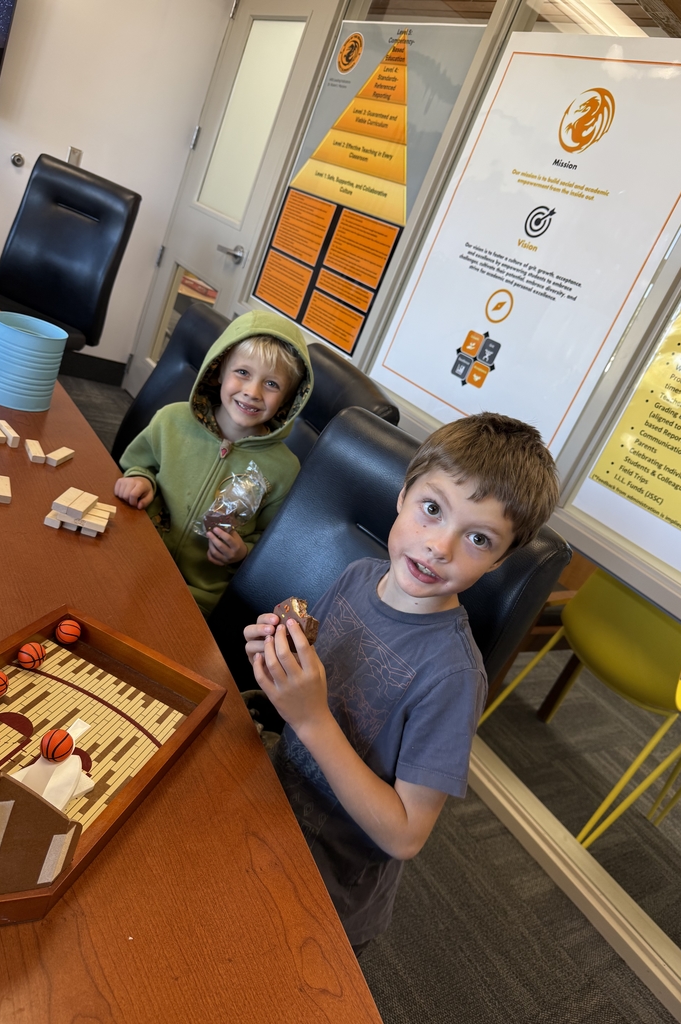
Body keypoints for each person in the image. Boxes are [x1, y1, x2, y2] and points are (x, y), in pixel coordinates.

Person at [243, 413, 559, 952]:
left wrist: (309, 717)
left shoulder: (454, 677)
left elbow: (406, 833)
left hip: (329, 885)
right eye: (432, 509)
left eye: (478, 538)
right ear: (403, 494)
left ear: (501, 559)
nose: (440, 547)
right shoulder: (359, 576)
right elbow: (319, 684)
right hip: (270, 811)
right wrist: (280, 657)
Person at [115, 310, 312, 617]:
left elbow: (274, 546)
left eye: (272, 384)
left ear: (288, 400)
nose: (252, 392)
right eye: (243, 373)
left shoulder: (285, 469)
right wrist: (140, 478)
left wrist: (242, 553)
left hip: (198, 598)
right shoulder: (171, 420)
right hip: (133, 557)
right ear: (219, 371)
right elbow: (139, 464)